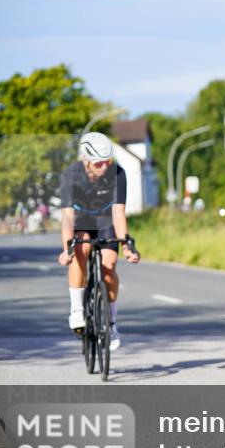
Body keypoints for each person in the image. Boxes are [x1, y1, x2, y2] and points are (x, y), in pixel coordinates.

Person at [56, 132, 140, 351]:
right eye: (98, 163)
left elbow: (119, 213)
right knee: (80, 248)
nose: (104, 167)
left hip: (105, 221)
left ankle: (111, 323)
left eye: (107, 161)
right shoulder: (70, 175)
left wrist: (125, 246)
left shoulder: (117, 173)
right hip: (81, 220)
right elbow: (67, 217)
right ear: (85, 160)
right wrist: (67, 249)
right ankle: (76, 309)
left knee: (110, 265)